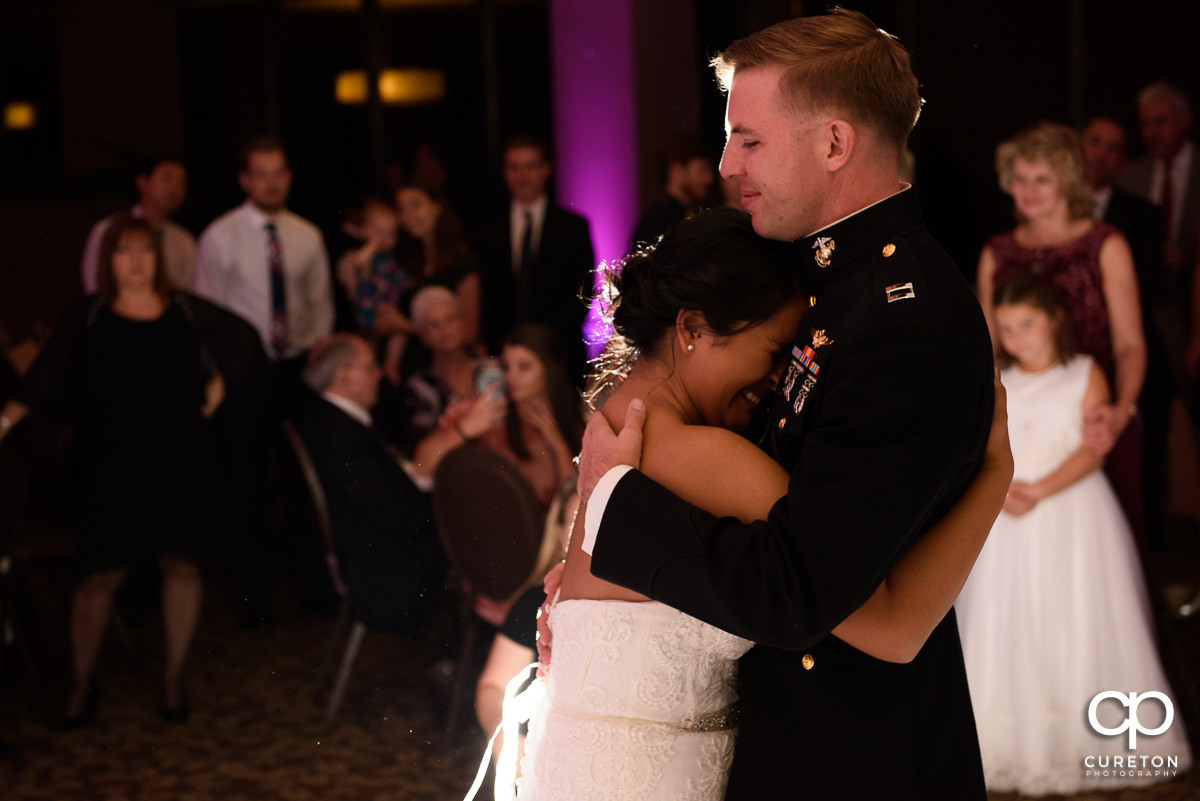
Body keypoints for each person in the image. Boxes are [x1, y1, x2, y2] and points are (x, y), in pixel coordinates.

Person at [572, 11, 997, 799]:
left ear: (834, 144)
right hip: (791, 734)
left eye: (750, 138)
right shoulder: (828, 279)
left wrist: (616, 511)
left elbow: (803, 586)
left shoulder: (905, 318)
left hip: (854, 756)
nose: (728, 163)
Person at [517, 208, 1010, 800]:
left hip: (579, 764)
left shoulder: (614, 425)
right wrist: (993, 474)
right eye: (774, 350)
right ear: (692, 328)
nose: (780, 380)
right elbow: (894, 627)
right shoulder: (699, 457)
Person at [956, 272, 1192, 795]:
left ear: (1055, 320)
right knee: (1008, 620)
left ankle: (1097, 740)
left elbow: (1095, 448)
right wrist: (1003, 489)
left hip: (1071, 511)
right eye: (1007, 327)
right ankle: (1010, 741)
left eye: (1027, 324)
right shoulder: (999, 378)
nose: (1016, 336)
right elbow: (983, 448)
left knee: (1078, 617)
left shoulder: (1084, 373)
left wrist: (1041, 490)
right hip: (1007, 514)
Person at [0, 214, 224, 728]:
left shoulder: (185, 311)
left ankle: (174, 677)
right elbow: (44, 374)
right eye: (125, 251)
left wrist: (215, 397)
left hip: (180, 458)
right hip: (112, 462)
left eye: (146, 250)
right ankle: (81, 684)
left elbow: (239, 351)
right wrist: (4, 422)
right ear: (108, 260)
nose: (137, 261)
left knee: (182, 565)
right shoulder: (90, 314)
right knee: (99, 575)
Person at [978, 121, 1147, 538]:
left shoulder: (1105, 244)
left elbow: (1129, 344)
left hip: (1094, 409)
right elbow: (988, 352)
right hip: (1025, 418)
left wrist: (1119, 411)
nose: (1028, 189)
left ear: (1066, 182)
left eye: (1042, 179)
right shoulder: (997, 253)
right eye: (1019, 178)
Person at [293, 334, 444, 632]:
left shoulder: (321, 416)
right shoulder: (340, 433)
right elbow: (396, 512)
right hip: (379, 569)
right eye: (370, 367)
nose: (378, 375)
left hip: (358, 551)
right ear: (344, 374)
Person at [1081, 115, 1173, 544]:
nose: (1101, 154)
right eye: (1095, 142)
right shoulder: (1040, 208)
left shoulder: (1143, 216)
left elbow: (1151, 285)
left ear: (1123, 162)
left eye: (1113, 147)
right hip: (1060, 360)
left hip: (1124, 350)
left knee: (1141, 466)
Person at [193, 136, 334, 369]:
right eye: (261, 174)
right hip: (242, 360)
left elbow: (320, 303)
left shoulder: (309, 234)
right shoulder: (219, 236)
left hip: (300, 360)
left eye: (279, 173)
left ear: (289, 177)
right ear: (245, 180)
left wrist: (320, 352)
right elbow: (208, 309)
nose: (272, 182)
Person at [412, 323, 582, 510]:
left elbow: (573, 502)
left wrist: (556, 441)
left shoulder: (571, 426)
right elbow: (421, 465)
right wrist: (465, 427)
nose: (510, 377)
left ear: (550, 370)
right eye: (506, 367)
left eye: (524, 367)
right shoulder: (489, 413)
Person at [474, 135, 595, 381]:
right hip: (502, 355)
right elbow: (485, 295)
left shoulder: (573, 227)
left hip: (559, 354)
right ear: (505, 172)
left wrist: (546, 342)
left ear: (546, 170)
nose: (522, 176)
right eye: (514, 167)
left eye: (530, 166)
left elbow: (583, 291)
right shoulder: (486, 230)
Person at [81, 154, 196, 293]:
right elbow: (95, 283)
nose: (175, 188)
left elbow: (189, 292)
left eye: (182, 182)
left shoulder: (183, 240)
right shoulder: (108, 229)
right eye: (167, 178)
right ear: (142, 182)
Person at [396, 183, 482, 351]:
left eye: (415, 205)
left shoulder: (461, 259)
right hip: (416, 361)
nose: (408, 215)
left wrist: (404, 326)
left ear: (436, 207)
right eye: (401, 209)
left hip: (450, 360)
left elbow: (469, 331)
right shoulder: (405, 260)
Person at [335, 198, 409, 384]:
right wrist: (373, 243)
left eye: (390, 233)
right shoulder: (363, 253)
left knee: (399, 333)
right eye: (379, 232)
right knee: (369, 343)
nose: (385, 238)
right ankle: (371, 368)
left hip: (389, 304)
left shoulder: (391, 257)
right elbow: (359, 262)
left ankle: (391, 363)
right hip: (369, 307)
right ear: (366, 230)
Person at [629, 134, 714, 247]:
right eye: (701, 170)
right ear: (676, 170)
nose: (709, 179)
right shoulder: (658, 221)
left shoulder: (689, 213)